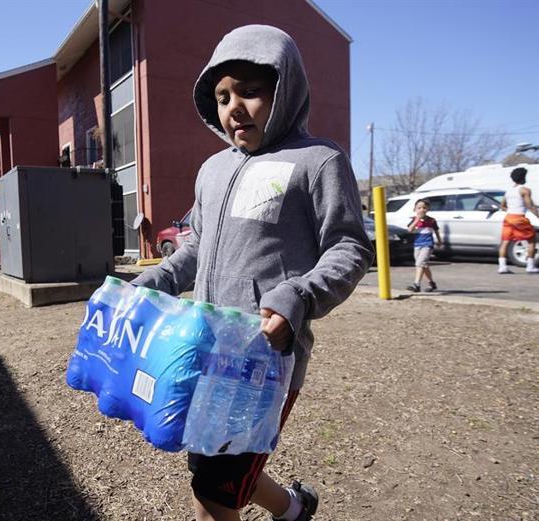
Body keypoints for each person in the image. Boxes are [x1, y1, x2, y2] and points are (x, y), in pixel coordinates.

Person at [131, 25, 373, 521]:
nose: (233, 107)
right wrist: (156, 280)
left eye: (250, 91)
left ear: (285, 89)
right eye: (221, 96)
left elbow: (349, 248)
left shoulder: (318, 161)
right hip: (203, 344)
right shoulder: (212, 170)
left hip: (263, 360)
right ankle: (294, 510)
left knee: (213, 492)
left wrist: (299, 296)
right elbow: (197, 246)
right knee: (211, 462)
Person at [498, 167, 539, 274]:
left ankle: (502, 267)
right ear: (523, 177)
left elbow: (502, 206)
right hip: (519, 218)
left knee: (505, 242)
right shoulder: (525, 190)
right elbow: (530, 206)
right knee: (532, 240)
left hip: (508, 218)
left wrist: (511, 210)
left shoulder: (508, 191)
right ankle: (530, 266)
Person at [406, 199, 442, 292]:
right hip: (417, 245)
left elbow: (436, 231)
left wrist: (439, 241)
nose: (422, 209)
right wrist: (416, 220)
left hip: (427, 244)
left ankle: (416, 284)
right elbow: (410, 230)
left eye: (424, 208)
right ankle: (432, 283)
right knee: (423, 265)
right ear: (415, 209)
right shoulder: (414, 220)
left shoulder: (432, 220)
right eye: (419, 208)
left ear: (428, 209)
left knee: (419, 263)